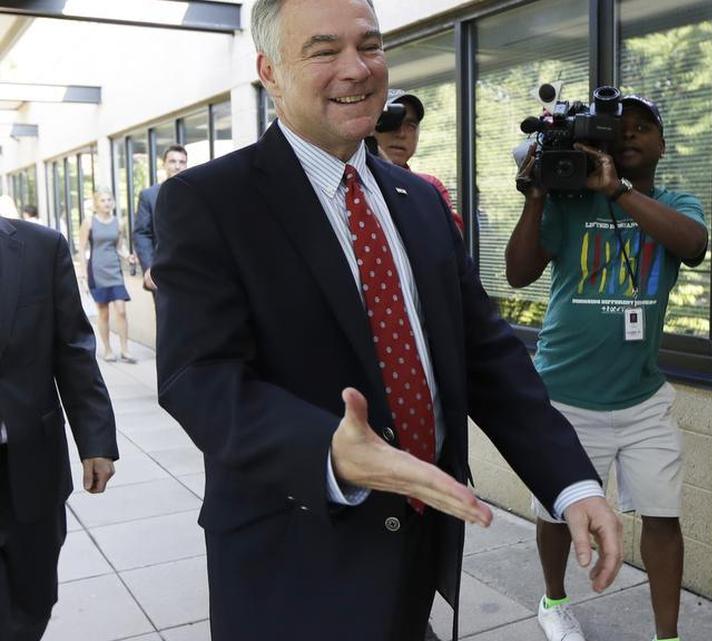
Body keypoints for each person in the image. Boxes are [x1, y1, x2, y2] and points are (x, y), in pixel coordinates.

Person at [151, 1, 622, 639]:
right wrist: (327, 449)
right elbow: (198, 377)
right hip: (294, 564)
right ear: (270, 71)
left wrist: (571, 484)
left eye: (369, 46)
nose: (357, 69)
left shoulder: (420, 200)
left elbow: (486, 355)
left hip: (420, 548)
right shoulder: (209, 201)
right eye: (324, 51)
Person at [505, 95, 708, 641]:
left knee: (663, 517)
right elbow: (518, 273)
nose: (632, 134)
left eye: (644, 127)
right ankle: (553, 601)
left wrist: (617, 190)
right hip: (565, 393)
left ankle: (667, 636)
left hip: (643, 400)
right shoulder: (571, 203)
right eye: (622, 128)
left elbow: (693, 245)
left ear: (663, 144)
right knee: (556, 511)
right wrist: (536, 198)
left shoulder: (676, 203)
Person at [0, 216, 118, 641]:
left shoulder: (41, 248)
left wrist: (96, 440)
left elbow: (73, 350)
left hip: (28, 467)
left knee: (32, 602)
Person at [371, 89, 464, 234]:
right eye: (391, 123)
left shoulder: (429, 187)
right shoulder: (351, 185)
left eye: (410, 126)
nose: (401, 134)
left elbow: (453, 239)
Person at [77, 187, 136, 364]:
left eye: (109, 200)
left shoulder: (118, 222)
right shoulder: (89, 222)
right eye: (103, 200)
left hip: (115, 271)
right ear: (96, 203)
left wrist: (128, 256)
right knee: (103, 314)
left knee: (121, 311)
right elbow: (82, 248)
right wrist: (83, 273)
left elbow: (119, 246)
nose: (107, 203)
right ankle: (108, 350)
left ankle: (125, 350)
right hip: (97, 271)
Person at [134, 144, 188, 294]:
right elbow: (142, 233)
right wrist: (149, 267)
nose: (177, 166)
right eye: (172, 161)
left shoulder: (195, 194)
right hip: (161, 272)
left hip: (191, 271)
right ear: (164, 164)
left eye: (182, 162)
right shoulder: (149, 196)